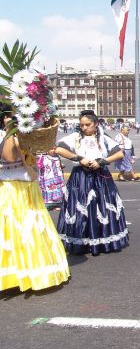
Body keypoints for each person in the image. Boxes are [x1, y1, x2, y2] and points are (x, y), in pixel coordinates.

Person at [0, 103, 70, 291]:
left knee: (30, 229)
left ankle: (30, 272)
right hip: (12, 189)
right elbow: (8, 157)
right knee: (18, 231)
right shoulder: (4, 135)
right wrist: (9, 131)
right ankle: (16, 274)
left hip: (26, 186)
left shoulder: (18, 134)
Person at [55, 110, 129, 255]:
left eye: (87, 125)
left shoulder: (103, 137)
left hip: (100, 176)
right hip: (80, 176)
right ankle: (81, 239)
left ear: (95, 124)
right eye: (82, 125)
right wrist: (79, 158)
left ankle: (102, 240)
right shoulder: (75, 136)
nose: (84, 128)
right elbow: (59, 149)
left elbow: (119, 153)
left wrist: (103, 161)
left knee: (102, 207)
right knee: (80, 207)